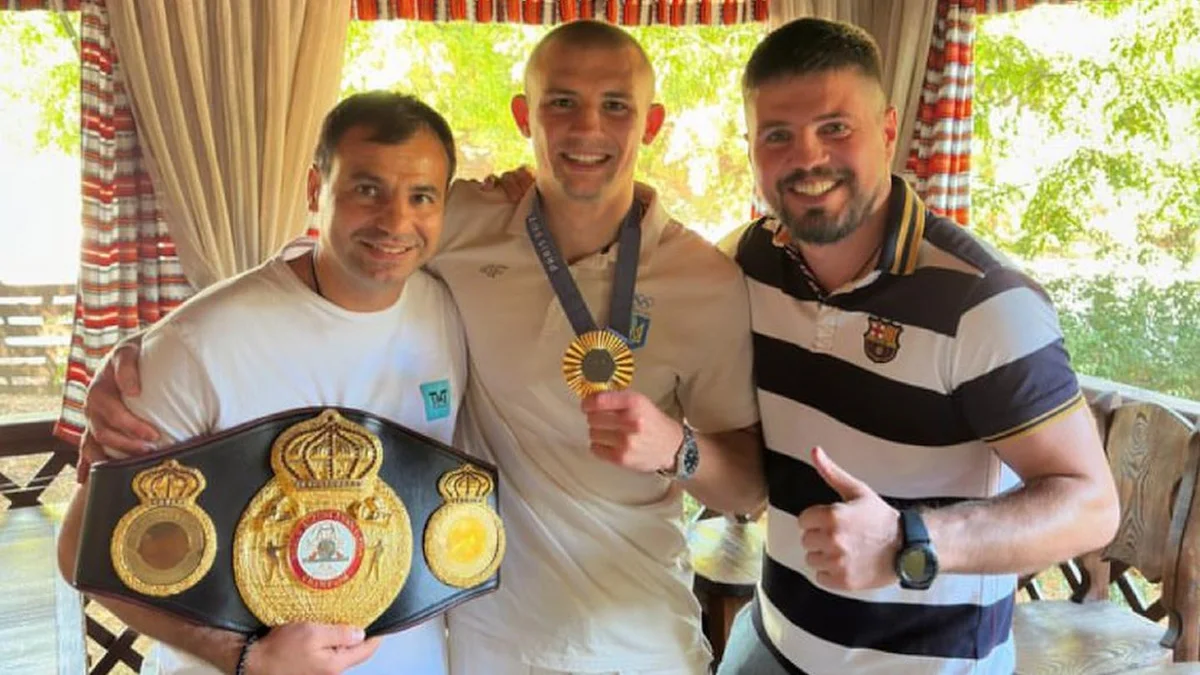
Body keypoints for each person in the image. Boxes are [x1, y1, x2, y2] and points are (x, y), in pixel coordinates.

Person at [80, 21, 766, 675]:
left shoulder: (704, 281)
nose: (587, 127)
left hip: (638, 637)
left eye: (615, 105)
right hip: (483, 639)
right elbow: (336, 256)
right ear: (525, 116)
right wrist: (157, 353)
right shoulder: (465, 227)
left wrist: (678, 448)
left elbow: (749, 489)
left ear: (651, 122)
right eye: (562, 102)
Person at [717, 18, 1121, 674]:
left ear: (887, 130)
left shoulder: (984, 300)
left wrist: (914, 539)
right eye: (777, 135)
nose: (808, 157)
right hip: (770, 642)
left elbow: (1091, 507)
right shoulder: (747, 260)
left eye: (834, 127)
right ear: (751, 148)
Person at [58, 91, 469, 675]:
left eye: (421, 196)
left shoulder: (451, 311)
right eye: (366, 189)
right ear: (315, 190)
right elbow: (83, 552)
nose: (395, 221)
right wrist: (243, 657)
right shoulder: (197, 343)